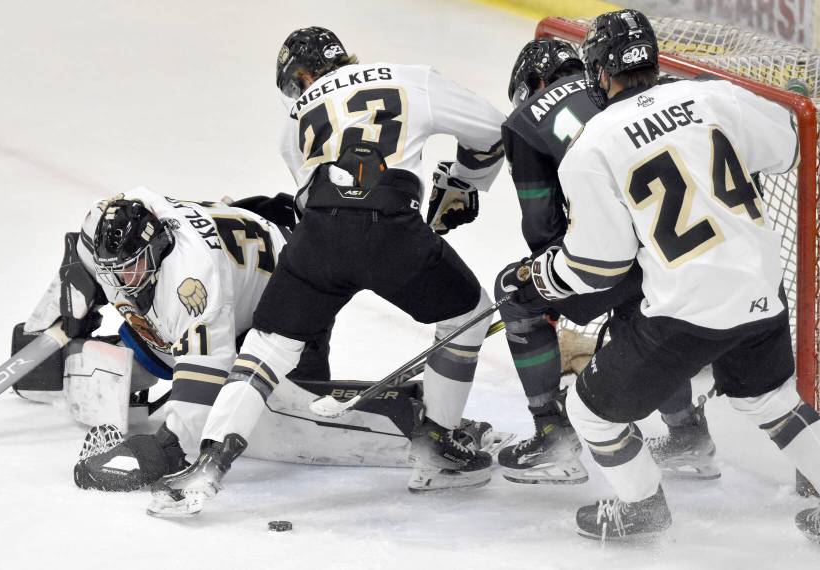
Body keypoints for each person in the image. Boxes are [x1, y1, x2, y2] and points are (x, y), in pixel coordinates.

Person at [145, 26, 507, 517]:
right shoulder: (410, 79)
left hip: (318, 237)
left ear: (303, 76)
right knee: (472, 315)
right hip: (393, 233)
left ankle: (205, 467)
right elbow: (491, 130)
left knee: (267, 345)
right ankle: (438, 447)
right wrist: (465, 182)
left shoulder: (294, 121)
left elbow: (314, 197)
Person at [503, 9, 820, 541]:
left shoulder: (594, 143)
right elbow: (788, 146)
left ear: (600, 73)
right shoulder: (715, 93)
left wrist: (535, 279)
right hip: (761, 288)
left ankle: (641, 507)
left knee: (590, 412)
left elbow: (598, 265)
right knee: (770, 400)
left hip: (686, 310)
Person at [17, 187, 503, 492]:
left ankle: (419, 421)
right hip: (233, 273)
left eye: (133, 267)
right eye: (113, 271)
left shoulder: (192, 283)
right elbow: (81, 258)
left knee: (276, 424)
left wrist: (167, 448)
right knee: (95, 371)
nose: (123, 280)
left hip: (289, 296)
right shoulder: (115, 235)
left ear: (159, 246)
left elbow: (202, 387)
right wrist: (55, 315)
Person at [494, 39, 719, 484]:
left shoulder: (527, 119)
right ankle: (688, 434)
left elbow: (543, 232)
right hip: (697, 246)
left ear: (534, 83)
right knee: (638, 304)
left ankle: (552, 436)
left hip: (621, 255)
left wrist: (538, 279)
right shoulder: (645, 92)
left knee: (517, 298)